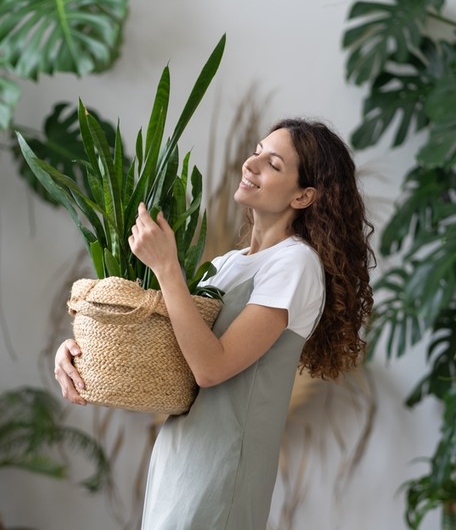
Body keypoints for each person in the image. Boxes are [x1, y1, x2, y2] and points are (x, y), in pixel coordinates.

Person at [54, 118, 375, 529]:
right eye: (257, 151)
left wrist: (167, 268)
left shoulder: (296, 263)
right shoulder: (226, 266)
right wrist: (81, 353)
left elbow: (211, 367)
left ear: (303, 196)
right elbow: (169, 355)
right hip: (178, 459)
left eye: (273, 164)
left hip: (222, 471)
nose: (251, 164)